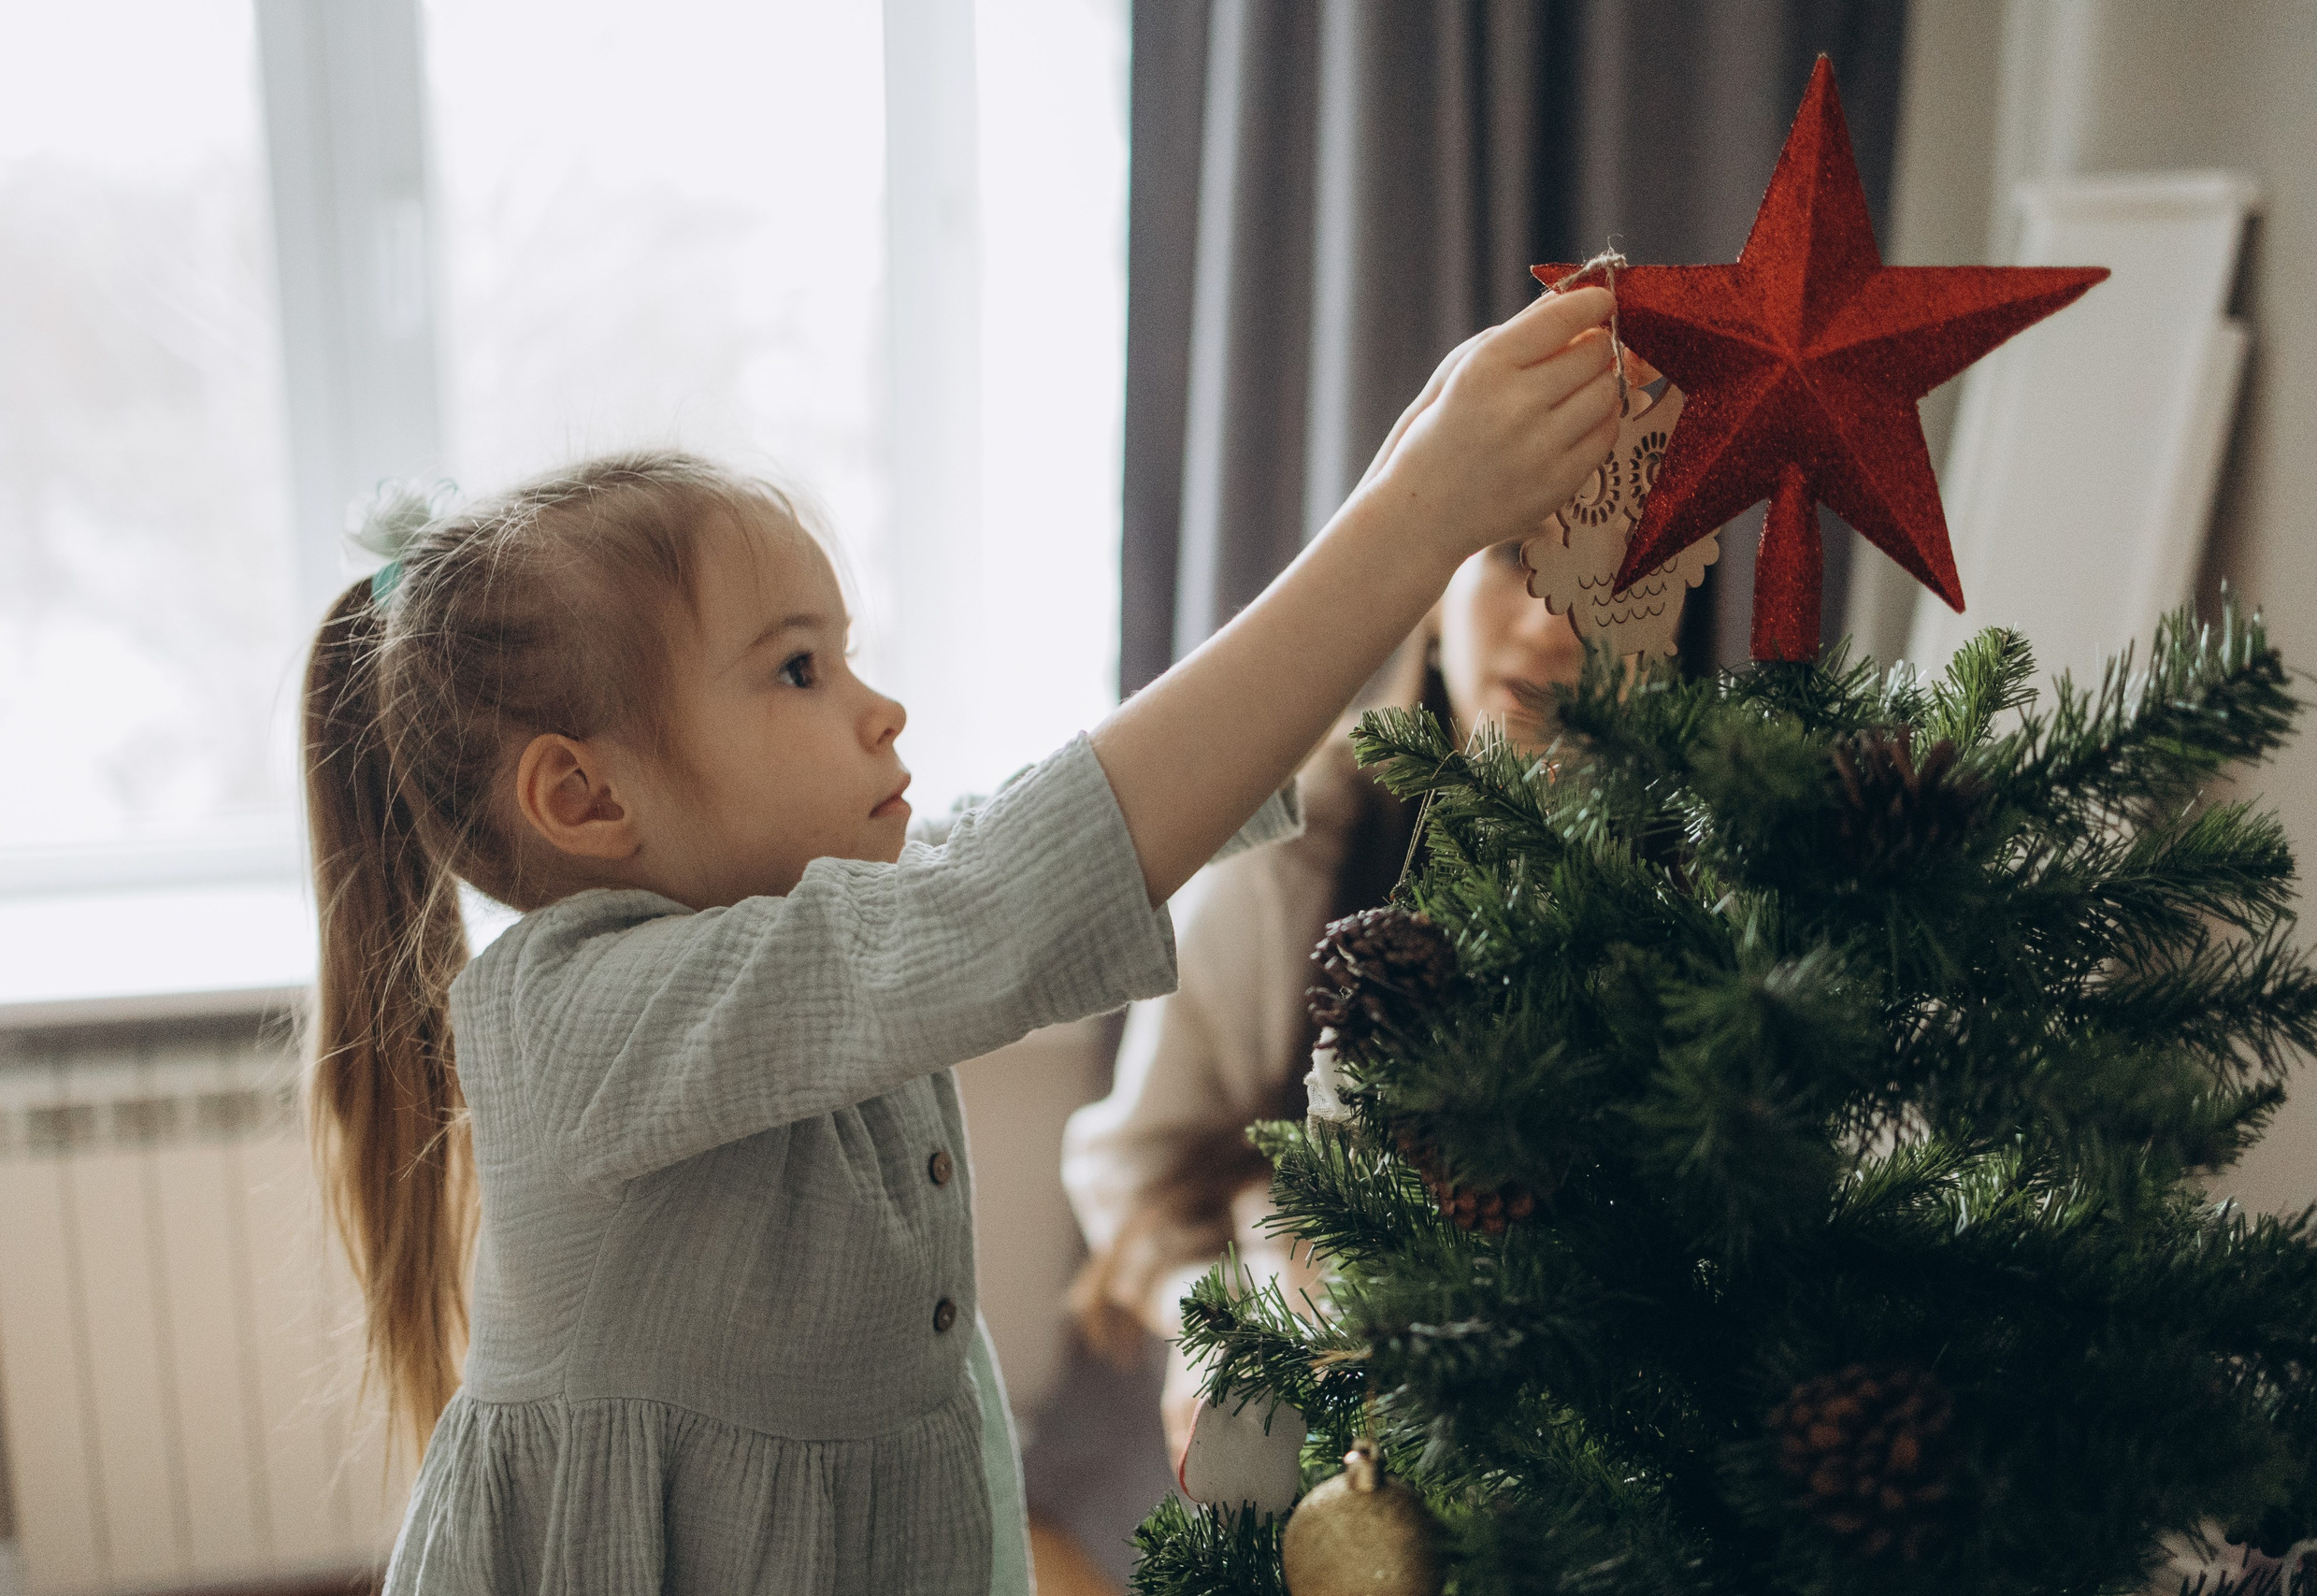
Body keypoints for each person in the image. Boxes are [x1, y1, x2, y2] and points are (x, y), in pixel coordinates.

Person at [300, 285, 1627, 1596]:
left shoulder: (810, 925)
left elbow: (1023, 838)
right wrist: (1411, 525)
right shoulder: (572, 1016)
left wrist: (1419, 461)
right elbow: (1001, 895)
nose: (881, 708)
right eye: (798, 668)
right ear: (585, 797)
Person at [1060, 528, 1590, 1462]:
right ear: (1437, 587)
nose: (1551, 621)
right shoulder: (1285, 852)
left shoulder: (1708, 891)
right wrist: (1219, 1329)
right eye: (1515, 552)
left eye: (1615, 573)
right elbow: (1130, 1166)